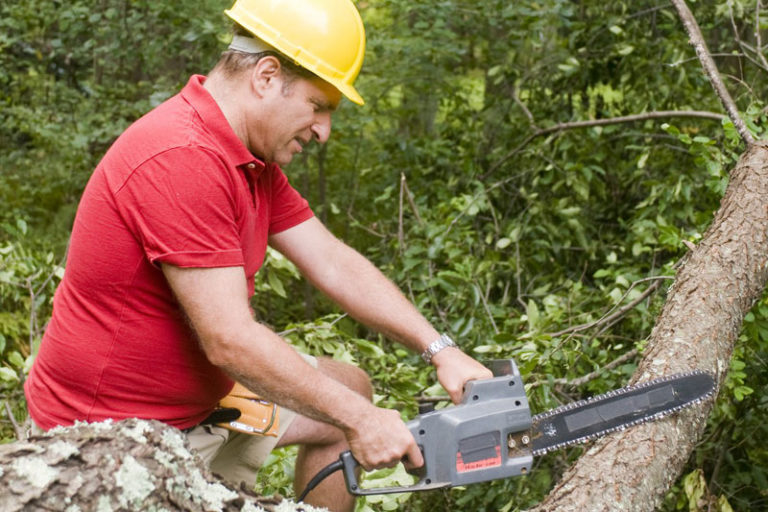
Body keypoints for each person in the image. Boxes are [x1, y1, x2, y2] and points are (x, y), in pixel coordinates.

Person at [23, 0, 492, 510]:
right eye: (318, 106)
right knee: (350, 410)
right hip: (112, 435)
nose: (323, 130)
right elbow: (231, 341)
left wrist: (439, 348)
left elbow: (331, 261)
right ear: (267, 76)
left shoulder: (249, 159)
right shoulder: (181, 157)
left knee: (350, 388)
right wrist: (361, 421)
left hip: (203, 400)